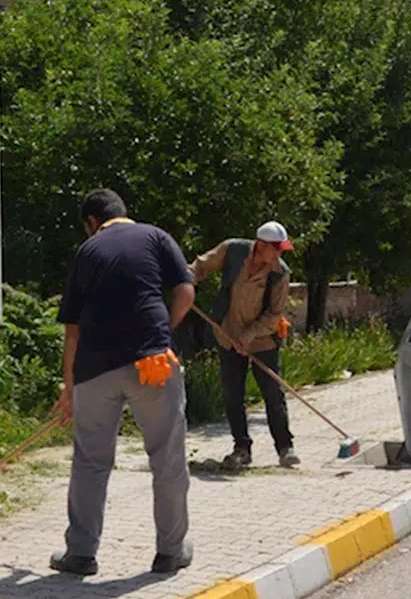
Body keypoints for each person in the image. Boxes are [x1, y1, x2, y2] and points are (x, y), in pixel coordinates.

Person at [49, 189, 196, 577]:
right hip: (153, 363)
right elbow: (185, 291)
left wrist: (69, 388)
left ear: (92, 223)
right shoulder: (156, 237)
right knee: (166, 458)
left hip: (95, 370)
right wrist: (164, 329)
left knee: (90, 462)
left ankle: (80, 554)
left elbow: (73, 331)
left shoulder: (87, 251)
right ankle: (170, 552)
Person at [190, 221, 297, 470]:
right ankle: (242, 449)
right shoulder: (232, 251)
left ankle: (285, 447)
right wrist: (186, 279)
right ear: (260, 245)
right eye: (276, 248)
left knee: (273, 392)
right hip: (227, 335)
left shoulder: (280, 273)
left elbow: (274, 314)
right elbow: (201, 266)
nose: (279, 254)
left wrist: (250, 335)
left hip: (263, 340)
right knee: (232, 394)